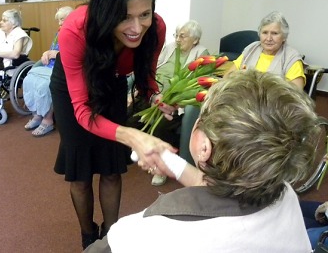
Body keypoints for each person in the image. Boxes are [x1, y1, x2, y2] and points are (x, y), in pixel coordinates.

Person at [86, 69, 319, 252]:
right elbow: (225, 192)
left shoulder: (150, 231)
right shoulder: (286, 196)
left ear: (204, 145)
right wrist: (177, 167)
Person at [49, 0, 176, 250]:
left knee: (111, 168)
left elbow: (146, 76)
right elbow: (82, 111)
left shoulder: (156, 27)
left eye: (144, 14)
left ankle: (110, 235)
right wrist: (133, 136)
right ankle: (87, 237)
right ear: (106, 12)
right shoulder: (77, 29)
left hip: (114, 84)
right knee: (81, 172)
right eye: (124, 17)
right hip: (73, 90)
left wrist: (156, 97)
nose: (136, 28)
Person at [128, 19, 209, 186]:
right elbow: (155, 66)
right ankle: (132, 152)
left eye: (183, 36)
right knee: (131, 117)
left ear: (195, 39)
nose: (178, 39)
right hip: (154, 91)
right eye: (177, 35)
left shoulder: (201, 53)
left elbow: (195, 85)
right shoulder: (171, 46)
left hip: (174, 101)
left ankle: (161, 167)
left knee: (160, 128)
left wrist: (172, 98)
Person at [23, 6, 73, 137]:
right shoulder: (59, 33)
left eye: (62, 19)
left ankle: (48, 120)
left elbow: (73, 55)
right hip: (50, 66)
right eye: (58, 20)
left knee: (44, 85)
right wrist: (46, 53)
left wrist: (54, 53)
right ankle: (37, 115)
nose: (60, 23)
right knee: (29, 80)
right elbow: (52, 49)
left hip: (63, 69)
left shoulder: (76, 34)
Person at [224, 11, 305, 89]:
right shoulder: (251, 49)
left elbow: (296, 93)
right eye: (265, 32)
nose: (268, 38)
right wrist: (239, 77)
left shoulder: (291, 58)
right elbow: (226, 77)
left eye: (274, 33)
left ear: (284, 37)